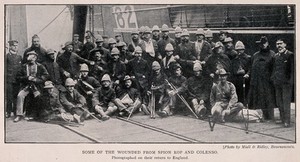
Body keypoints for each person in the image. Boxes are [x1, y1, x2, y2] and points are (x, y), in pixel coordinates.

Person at [14, 51, 49, 122]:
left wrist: (37, 80)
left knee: (39, 97)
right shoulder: (23, 66)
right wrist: (26, 78)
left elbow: (46, 75)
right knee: (20, 96)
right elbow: (18, 77)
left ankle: (39, 115)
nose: (31, 59)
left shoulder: (40, 66)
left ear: (36, 58)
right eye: (29, 57)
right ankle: (19, 115)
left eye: (33, 57)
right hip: (26, 86)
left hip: (36, 87)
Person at [246, 36, 276, 121]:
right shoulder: (255, 55)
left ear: (267, 43)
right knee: (260, 99)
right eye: (261, 44)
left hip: (268, 82)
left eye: (264, 43)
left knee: (269, 99)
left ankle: (271, 116)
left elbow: (274, 68)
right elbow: (251, 68)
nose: (262, 45)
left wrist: (272, 79)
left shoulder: (272, 54)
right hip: (257, 81)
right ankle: (263, 115)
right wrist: (249, 74)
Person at [271, 39, 294, 127]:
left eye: (280, 44)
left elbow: (292, 70)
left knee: (286, 102)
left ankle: (287, 121)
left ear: (285, 44)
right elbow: (274, 69)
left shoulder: (290, 55)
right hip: (277, 82)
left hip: (286, 83)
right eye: (277, 44)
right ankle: (282, 119)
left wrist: (290, 82)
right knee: (279, 102)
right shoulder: (276, 56)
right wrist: (273, 79)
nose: (279, 46)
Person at [6, 40, 22, 118]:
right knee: (9, 96)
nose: (16, 47)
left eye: (17, 45)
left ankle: (16, 112)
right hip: (9, 79)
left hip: (17, 80)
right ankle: (8, 111)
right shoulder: (6, 56)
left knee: (16, 96)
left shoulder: (19, 57)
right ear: (10, 47)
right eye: (14, 46)